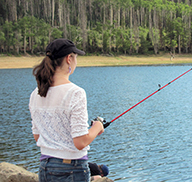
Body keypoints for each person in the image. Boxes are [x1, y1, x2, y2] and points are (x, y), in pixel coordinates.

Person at [29, 38, 104, 182]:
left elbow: (38, 136)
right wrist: (97, 127)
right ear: (69, 59)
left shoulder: (36, 94)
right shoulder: (75, 93)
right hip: (72, 168)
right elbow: (80, 142)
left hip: (45, 167)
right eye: (76, 58)